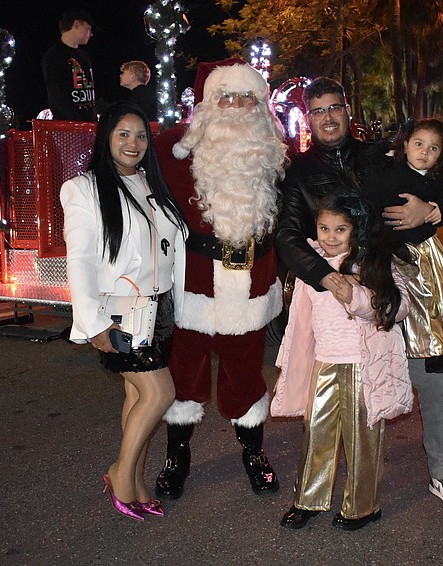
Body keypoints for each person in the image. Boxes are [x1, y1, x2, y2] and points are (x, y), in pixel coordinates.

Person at [276, 76, 443, 514]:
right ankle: (321, 491)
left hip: (404, 278)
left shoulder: (379, 153)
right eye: (318, 110)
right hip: (342, 296)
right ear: (309, 118)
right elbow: (287, 236)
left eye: (335, 107)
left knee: (432, 379)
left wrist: (435, 209)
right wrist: (324, 276)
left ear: (347, 110)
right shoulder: (300, 173)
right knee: (335, 396)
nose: (328, 117)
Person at [152, 59, 287, 498]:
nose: (236, 106)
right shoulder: (172, 149)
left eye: (247, 98)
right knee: (183, 379)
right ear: (207, 104)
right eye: (225, 97)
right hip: (193, 289)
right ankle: (177, 458)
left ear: (261, 106)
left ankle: (253, 453)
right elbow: (122, 169)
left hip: (253, 289)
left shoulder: (274, 151)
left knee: (246, 376)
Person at [60, 101, 187, 520]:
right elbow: (78, 260)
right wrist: (93, 324)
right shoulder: (85, 188)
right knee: (160, 393)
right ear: (107, 138)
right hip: (119, 313)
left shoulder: (152, 183)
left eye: (140, 135)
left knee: (137, 395)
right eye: (123, 134)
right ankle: (119, 472)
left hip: (160, 309)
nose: (132, 143)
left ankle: (135, 480)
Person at [272, 193, 413, 531]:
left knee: (362, 438)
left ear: (356, 230)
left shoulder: (374, 263)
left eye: (340, 229)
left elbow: (401, 307)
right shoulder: (311, 262)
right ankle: (308, 499)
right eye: (324, 228)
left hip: (363, 364)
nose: (330, 237)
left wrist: (357, 296)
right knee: (316, 433)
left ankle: (363, 507)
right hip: (324, 359)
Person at [365, 117, 443, 374]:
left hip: (430, 247)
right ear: (405, 144)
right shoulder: (392, 173)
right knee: (422, 300)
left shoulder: (436, 177)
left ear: (441, 154)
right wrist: (384, 149)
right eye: (418, 144)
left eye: (433, 148)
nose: (424, 152)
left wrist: (436, 209)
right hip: (403, 249)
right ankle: (431, 352)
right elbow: (372, 187)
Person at [42, 9, 97, 121]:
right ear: (76, 25)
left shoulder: (84, 57)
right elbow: (57, 96)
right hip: (68, 127)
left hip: (89, 126)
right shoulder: (54, 55)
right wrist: (73, 123)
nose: (91, 34)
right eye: (88, 28)